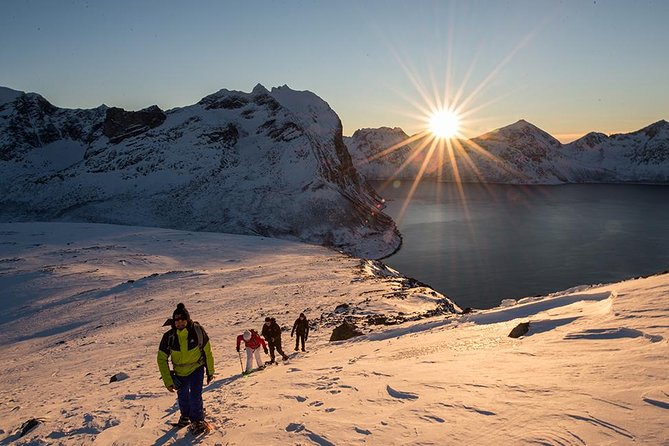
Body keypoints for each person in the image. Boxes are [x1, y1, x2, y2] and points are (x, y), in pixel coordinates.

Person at [157, 303, 215, 435]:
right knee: (182, 396)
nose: (180, 323)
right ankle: (185, 416)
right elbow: (161, 359)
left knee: (195, 395)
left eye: (182, 320)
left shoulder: (197, 331)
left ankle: (198, 420)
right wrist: (168, 380)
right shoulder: (169, 337)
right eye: (177, 321)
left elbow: (207, 351)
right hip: (179, 372)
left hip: (197, 368)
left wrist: (210, 371)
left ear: (187, 320)